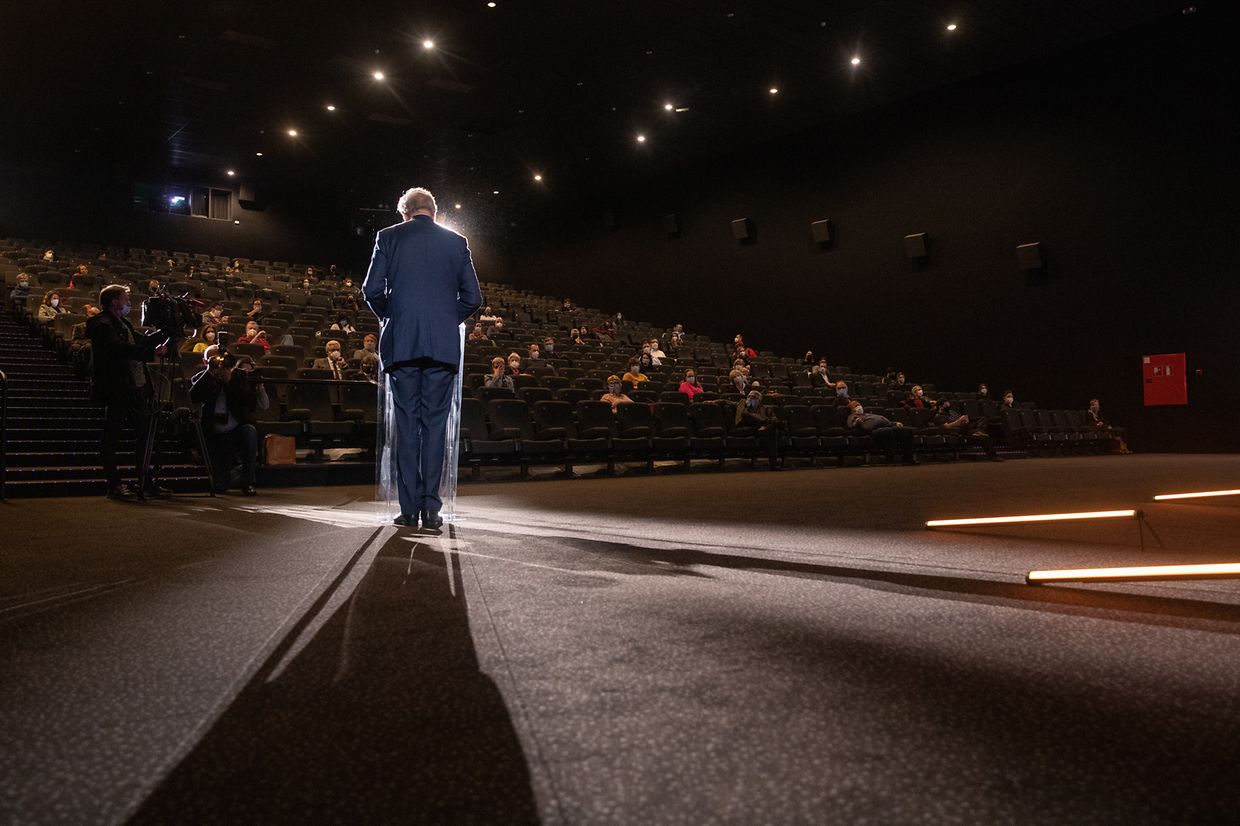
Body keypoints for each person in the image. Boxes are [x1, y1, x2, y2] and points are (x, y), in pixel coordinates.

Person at [363, 185, 482, 529]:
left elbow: (371, 290)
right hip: (442, 348)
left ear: (404, 212)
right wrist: (446, 320)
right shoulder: (456, 242)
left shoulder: (388, 237)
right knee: (434, 427)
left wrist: (394, 316)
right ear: (435, 212)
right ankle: (431, 509)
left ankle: (409, 509)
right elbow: (473, 297)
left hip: (402, 345)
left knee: (406, 426)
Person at [87, 284, 168, 499]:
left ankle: (144, 481)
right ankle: (114, 485)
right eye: (125, 299)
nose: (128, 304)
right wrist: (151, 352)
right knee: (111, 438)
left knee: (144, 434)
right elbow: (118, 349)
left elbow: (141, 342)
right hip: (117, 389)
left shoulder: (123, 323)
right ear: (114, 302)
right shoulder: (100, 324)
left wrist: (166, 332)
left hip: (135, 388)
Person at [191, 352, 269, 495]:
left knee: (249, 431)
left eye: (226, 366)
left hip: (234, 430)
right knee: (220, 485)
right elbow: (193, 396)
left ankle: (248, 482)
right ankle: (232, 475)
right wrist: (211, 373)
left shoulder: (238, 379)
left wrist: (229, 382)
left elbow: (249, 404)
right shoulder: (205, 377)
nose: (223, 368)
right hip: (214, 434)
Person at [847, 399, 918, 465]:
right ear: (851, 409)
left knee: (907, 431)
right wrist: (857, 422)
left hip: (887, 426)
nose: (859, 406)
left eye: (859, 404)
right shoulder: (852, 416)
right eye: (856, 406)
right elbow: (851, 424)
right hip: (873, 431)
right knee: (887, 431)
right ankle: (890, 460)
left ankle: (908, 459)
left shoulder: (868, 414)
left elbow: (884, 421)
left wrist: (894, 423)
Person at [936, 400, 1002, 461]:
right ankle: (993, 456)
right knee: (984, 437)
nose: (948, 406)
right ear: (940, 406)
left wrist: (965, 420)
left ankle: (979, 431)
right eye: (946, 405)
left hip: (965, 427)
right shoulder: (938, 416)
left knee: (983, 419)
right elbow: (947, 427)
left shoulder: (952, 412)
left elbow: (962, 420)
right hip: (957, 432)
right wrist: (959, 421)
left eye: (949, 405)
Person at [735, 389, 783, 470]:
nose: (750, 398)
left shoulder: (767, 409)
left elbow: (774, 418)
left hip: (764, 430)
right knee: (746, 413)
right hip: (750, 429)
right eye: (749, 396)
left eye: (754, 397)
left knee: (772, 429)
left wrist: (767, 426)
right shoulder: (743, 406)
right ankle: (767, 423)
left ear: (759, 400)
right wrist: (714, 401)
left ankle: (773, 465)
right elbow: (726, 402)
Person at [68, 303, 101, 376]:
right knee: (88, 347)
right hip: (84, 347)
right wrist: (88, 342)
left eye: (96, 315)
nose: (94, 316)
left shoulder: (102, 329)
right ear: (87, 315)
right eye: (92, 314)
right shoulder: (79, 327)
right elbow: (75, 340)